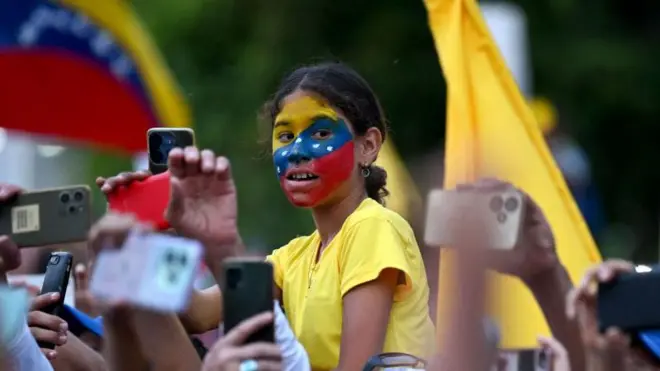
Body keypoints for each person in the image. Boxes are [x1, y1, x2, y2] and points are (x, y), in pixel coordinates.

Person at [98, 62, 436, 371]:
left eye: (320, 133)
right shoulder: (294, 257)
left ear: (368, 145)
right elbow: (196, 314)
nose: (297, 151)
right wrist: (152, 233)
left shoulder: (374, 226)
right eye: (286, 136)